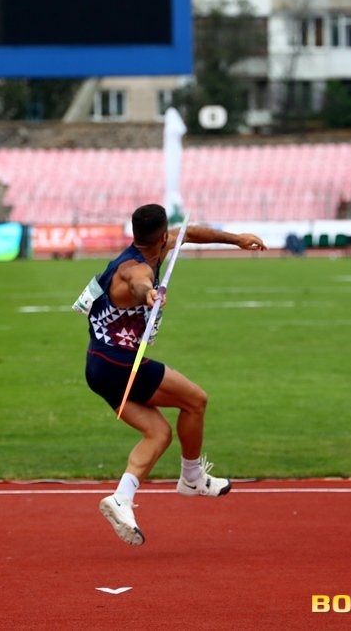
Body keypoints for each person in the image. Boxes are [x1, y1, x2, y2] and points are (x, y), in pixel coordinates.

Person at [75, 203, 267, 544]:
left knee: (158, 433)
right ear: (162, 235)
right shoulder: (133, 269)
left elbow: (189, 233)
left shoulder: (156, 248)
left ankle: (121, 498)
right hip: (118, 363)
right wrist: (148, 293)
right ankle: (192, 477)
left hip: (99, 365)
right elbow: (136, 282)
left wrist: (236, 239)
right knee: (195, 400)